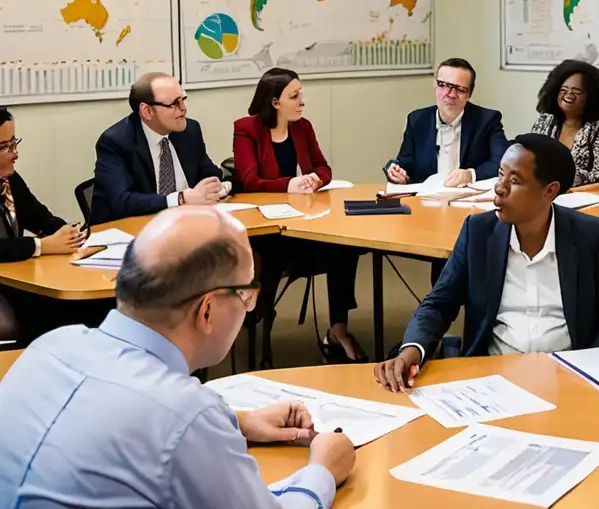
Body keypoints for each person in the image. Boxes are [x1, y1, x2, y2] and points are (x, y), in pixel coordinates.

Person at [0, 205, 356, 506]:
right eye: (247, 294)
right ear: (207, 311)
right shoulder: (185, 416)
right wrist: (324, 469)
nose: (249, 307)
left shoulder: (49, 348)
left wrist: (240, 422)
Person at [373, 134, 599, 392]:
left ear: (549, 191)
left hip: (568, 380)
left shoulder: (588, 234)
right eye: (500, 174)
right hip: (493, 379)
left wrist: (587, 369)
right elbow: (440, 303)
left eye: (515, 180)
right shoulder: (478, 232)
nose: (499, 187)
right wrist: (412, 350)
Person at [234, 68, 365, 364]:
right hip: (270, 228)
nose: (302, 101)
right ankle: (259, 330)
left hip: (305, 221)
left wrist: (315, 180)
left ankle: (339, 330)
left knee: (345, 247)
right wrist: (288, 184)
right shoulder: (247, 128)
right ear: (275, 102)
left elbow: (323, 168)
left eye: (301, 93)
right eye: (295, 96)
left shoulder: (302, 127)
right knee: (270, 258)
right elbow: (248, 179)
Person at [91, 72, 226, 224]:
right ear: (147, 111)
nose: (184, 108)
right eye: (174, 103)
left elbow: (210, 174)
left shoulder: (189, 130)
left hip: (185, 225)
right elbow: (122, 201)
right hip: (129, 231)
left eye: (184, 99)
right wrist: (181, 198)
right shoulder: (116, 142)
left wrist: (216, 186)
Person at [0, 107, 87, 340]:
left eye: (14, 143)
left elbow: (38, 215)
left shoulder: (9, 179)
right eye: (5, 147)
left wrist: (67, 232)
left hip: (13, 275)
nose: (15, 153)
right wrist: (40, 246)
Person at [384, 58, 508, 187]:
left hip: (467, 201)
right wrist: (397, 172)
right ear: (435, 86)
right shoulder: (417, 120)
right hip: (426, 200)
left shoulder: (487, 120)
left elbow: (503, 162)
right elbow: (404, 163)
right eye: (445, 85)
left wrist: (470, 174)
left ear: (469, 94)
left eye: (460, 89)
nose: (451, 94)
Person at [530, 59, 599, 187]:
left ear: (591, 96)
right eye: (564, 89)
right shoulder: (545, 121)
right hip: (541, 192)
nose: (568, 95)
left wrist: (554, 173)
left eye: (577, 91)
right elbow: (531, 161)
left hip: (582, 196)